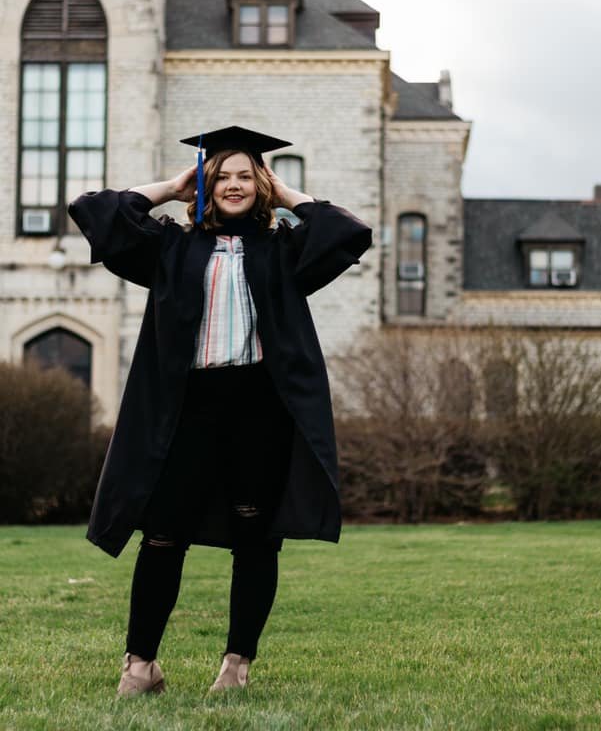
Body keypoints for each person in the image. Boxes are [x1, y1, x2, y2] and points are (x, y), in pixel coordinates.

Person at [67, 125, 372, 696]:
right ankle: (139, 666)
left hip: (259, 408)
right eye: (221, 177)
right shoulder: (170, 248)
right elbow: (94, 211)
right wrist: (171, 187)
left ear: (261, 183)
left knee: (256, 537)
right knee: (161, 534)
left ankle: (236, 666)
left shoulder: (284, 251)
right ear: (204, 186)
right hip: (185, 408)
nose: (233, 186)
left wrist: (288, 197)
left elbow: (348, 231)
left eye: (244, 177)